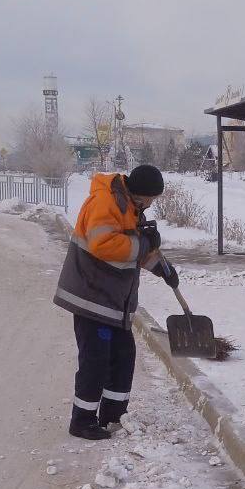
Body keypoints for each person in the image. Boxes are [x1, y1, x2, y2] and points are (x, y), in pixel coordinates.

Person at [54, 163, 178, 440]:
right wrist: (145, 243)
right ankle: (82, 420)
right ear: (141, 193)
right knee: (96, 359)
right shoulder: (106, 202)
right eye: (152, 198)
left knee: (123, 356)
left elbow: (132, 247)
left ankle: (113, 414)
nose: (152, 203)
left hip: (113, 301)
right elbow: (105, 244)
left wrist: (164, 269)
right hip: (91, 296)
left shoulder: (131, 207)